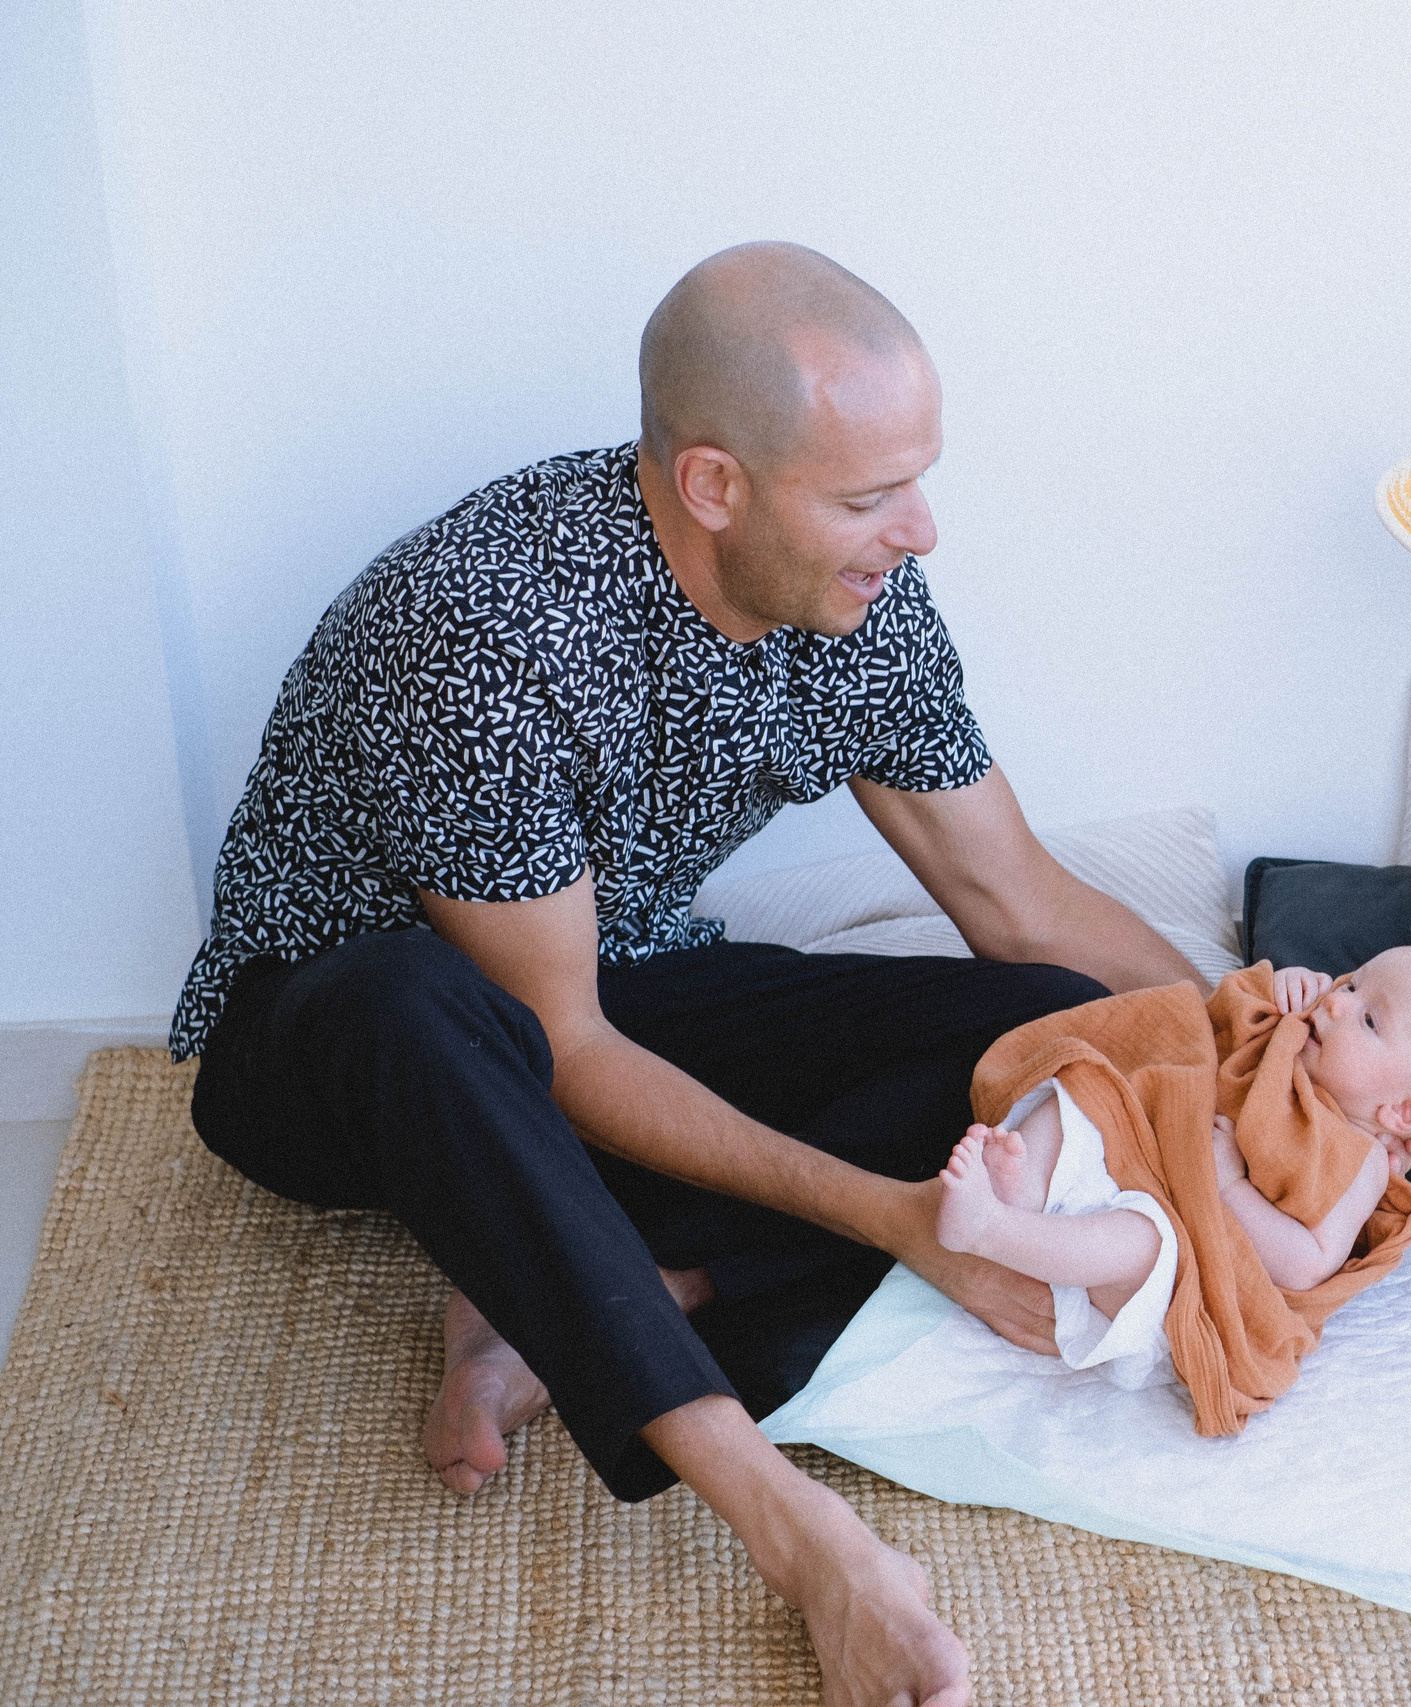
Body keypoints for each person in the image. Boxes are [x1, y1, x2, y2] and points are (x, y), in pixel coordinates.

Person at [177, 241, 1205, 1707]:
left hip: (619, 986)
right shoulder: (482, 633)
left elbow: (1018, 898)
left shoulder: (863, 598)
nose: (920, 530)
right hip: (347, 1047)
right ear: (715, 484)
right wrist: (886, 1214)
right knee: (416, 1000)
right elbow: (563, 1046)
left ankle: (584, 1290)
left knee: (1063, 1034)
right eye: (870, 496)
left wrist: (1257, 1052)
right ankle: (807, 1540)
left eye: (917, 481)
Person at [932, 947, 1411, 1383]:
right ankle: (1024, 1190)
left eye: (1370, 1019)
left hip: (1188, 1263)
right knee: (1088, 1086)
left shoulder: (1365, 1162)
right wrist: (1277, 990)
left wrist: (1231, 1185)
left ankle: (993, 1230)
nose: (1337, 1003)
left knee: (1142, 1242)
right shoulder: (1292, 1041)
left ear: (1406, 1111)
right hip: (1140, 1162)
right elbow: (1219, 1025)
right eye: (1353, 984)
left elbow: (1306, 1264)